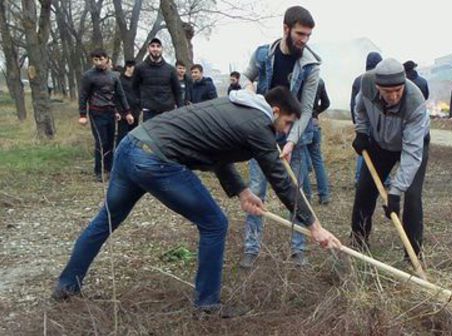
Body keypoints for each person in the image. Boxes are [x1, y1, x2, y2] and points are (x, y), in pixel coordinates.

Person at [52, 87, 341, 317]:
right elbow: (282, 181)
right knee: (215, 223)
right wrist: (314, 226)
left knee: (107, 219)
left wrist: (242, 192)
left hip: (130, 147)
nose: (284, 131)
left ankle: (66, 285)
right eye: (287, 123)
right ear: (275, 110)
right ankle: (207, 305)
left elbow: (217, 153)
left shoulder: (233, 107)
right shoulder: (258, 124)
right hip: (155, 160)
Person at [238, 6, 321, 268]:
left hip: (295, 138)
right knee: (256, 191)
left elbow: (307, 109)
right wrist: (247, 86)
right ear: (286, 29)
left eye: (308, 35)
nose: (304, 40)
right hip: (261, 134)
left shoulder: (311, 65)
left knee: (297, 192)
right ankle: (251, 248)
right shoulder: (264, 54)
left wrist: (291, 141)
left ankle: (298, 249)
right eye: (300, 33)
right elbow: (245, 77)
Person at [351, 58, 430, 259]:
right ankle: (358, 241)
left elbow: (412, 153)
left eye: (398, 90)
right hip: (380, 144)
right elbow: (359, 107)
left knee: (412, 196)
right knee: (364, 190)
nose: (394, 96)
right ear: (378, 87)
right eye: (388, 92)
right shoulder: (367, 84)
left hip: (411, 144)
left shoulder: (414, 102)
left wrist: (395, 192)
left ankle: (413, 254)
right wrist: (361, 132)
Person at [78, 49, 132, 182]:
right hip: (96, 112)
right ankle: (99, 171)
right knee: (101, 142)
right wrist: (82, 114)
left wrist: (127, 112)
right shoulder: (88, 76)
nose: (98, 62)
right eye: (95, 60)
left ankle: (110, 169)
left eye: (101, 59)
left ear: (107, 59)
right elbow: (83, 95)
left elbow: (120, 95)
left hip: (110, 112)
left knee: (110, 142)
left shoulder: (114, 76)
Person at [351, 52, 383, 184]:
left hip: (363, 121)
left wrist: (357, 124)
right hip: (376, 122)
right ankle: (383, 180)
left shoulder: (358, 79)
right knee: (380, 149)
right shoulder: (381, 78)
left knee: (363, 148)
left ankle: (359, 177)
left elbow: (353, 103)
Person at [132, 38, 183, 122]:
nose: (155, 49)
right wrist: (139, 106)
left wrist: (180, 110)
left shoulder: (170, 69)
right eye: (152, 46)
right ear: (148, 49)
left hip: (167, 111)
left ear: (162, 49)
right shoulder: (140, 68)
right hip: (148, 111)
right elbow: (134, 88)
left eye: (158, 46)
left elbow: (177, 91)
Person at [303, 77, 331, 204]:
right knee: (318, 160)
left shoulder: (300, 78)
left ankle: (306, 196)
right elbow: (326, 103)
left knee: (301, 159)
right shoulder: (320, 81)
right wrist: (315, 112)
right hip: (314, 123)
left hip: (302, 123)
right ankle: (324, 195)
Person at [116, 60, 141, 143]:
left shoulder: (137, 80)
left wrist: (139, 107)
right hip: (123, 113)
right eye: (135, 68)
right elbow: (117, 97)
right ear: (128, 67)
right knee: (122, 136)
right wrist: (118, 111)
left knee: (134, 136)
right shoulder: (120, 80)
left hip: (135, 111)